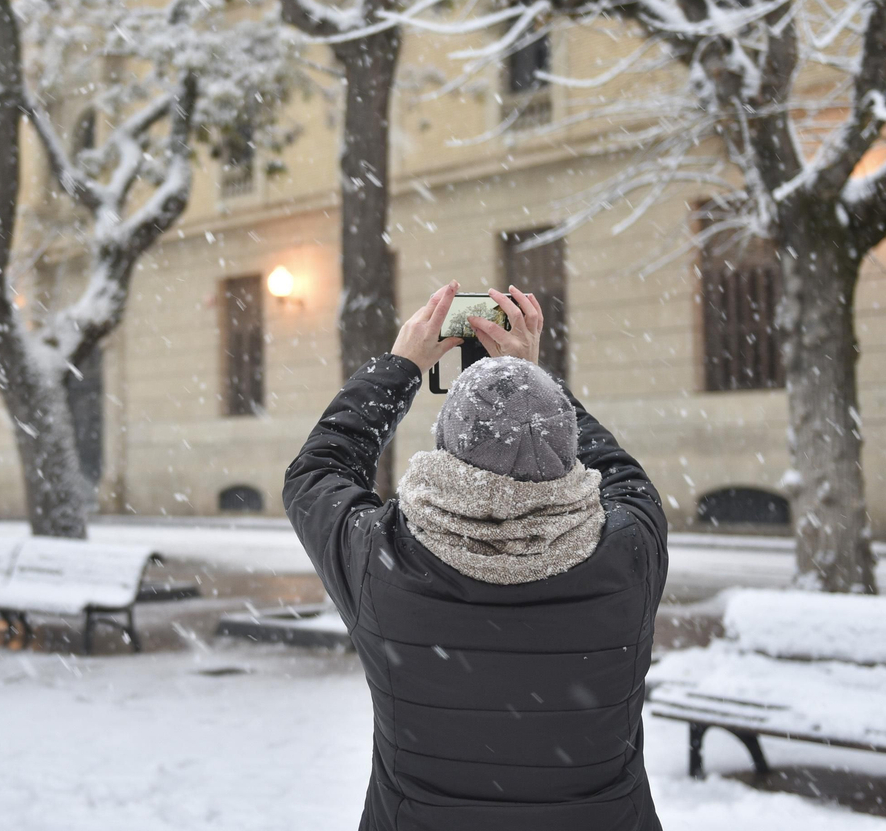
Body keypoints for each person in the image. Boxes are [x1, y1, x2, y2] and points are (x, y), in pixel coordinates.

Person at [284, 281, 667, 831]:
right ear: (563, 442)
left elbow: (316, 473)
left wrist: (402, 365)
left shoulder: (382, 559)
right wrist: (532, 381)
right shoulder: (630, 552)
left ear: (448, 445)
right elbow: (626, 478)